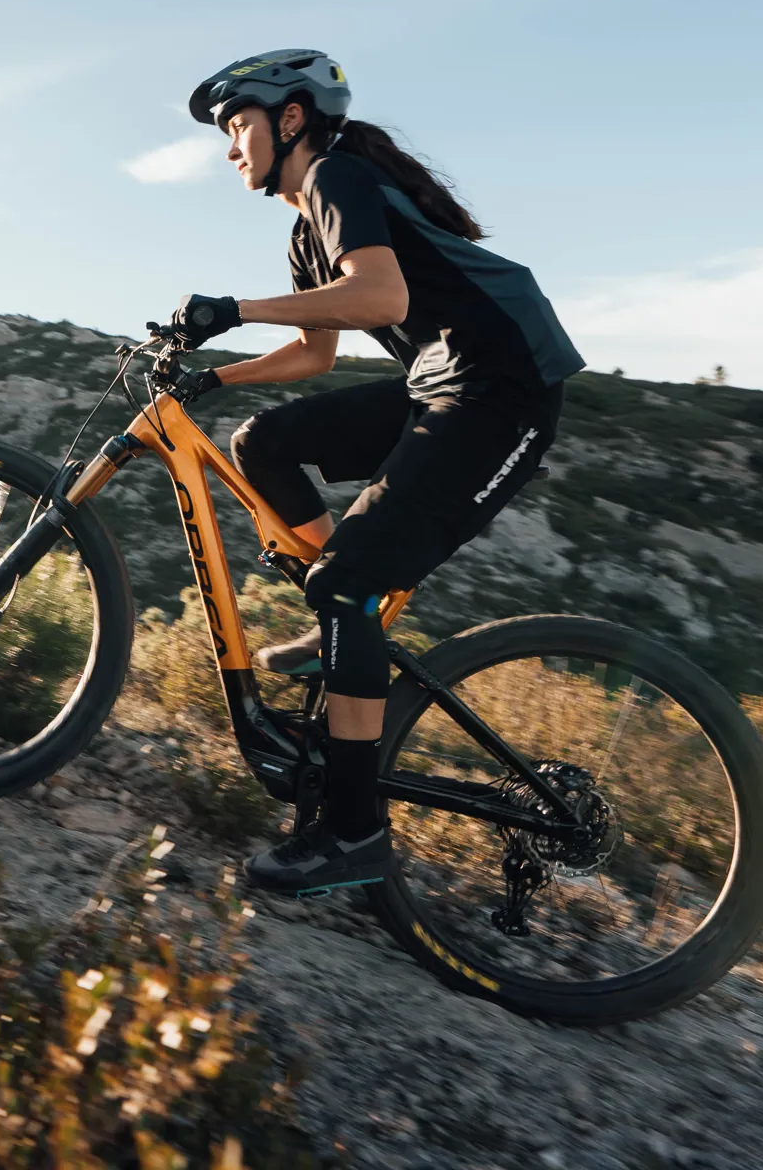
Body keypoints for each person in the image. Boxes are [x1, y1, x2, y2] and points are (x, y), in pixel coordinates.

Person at [170, 49, 584, 896]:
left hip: (501, 391)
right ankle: (345, 623)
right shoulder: (306, 228)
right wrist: (214, 377)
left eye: (239, 125)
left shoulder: (337, 177)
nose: (230, 148)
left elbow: (381, 299)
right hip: (441, 385)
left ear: (291, 119)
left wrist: (233, 309)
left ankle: (354, 832)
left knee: (346, 585)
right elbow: (314, 354)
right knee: (262, 443)